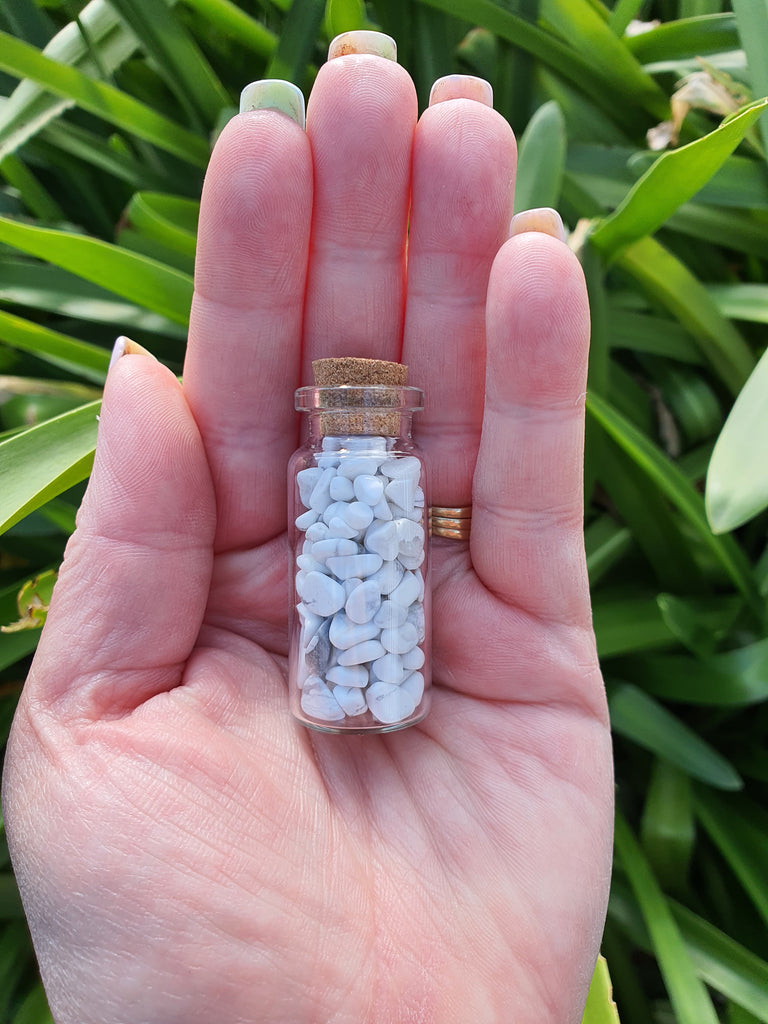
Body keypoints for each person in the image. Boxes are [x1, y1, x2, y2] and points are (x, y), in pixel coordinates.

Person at [2, 30, 614, 1024]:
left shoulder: (394, 474)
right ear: (324, 414)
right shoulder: (325, 472)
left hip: (386, 703)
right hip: (345, 714)